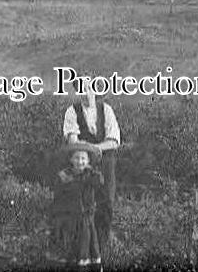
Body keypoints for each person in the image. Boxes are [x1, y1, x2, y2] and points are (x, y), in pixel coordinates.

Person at [63, 85, 119, 253]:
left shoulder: (106, 110)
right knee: (81, 207)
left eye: (88, 89)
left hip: (106, 164)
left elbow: (114, 140)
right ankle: (80, 251)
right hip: (82, 165)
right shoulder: (72, 111)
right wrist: (87, 152)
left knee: (106, 203)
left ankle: (101, 250)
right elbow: (72, 140)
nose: (86, 94)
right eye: (81, 90)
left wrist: (94, 148)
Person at [50, 142, 104, 268]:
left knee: (87, 243)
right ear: (71, 159)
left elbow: (99, 182)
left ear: (88, 160)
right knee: (71, 244)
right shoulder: (65, 176)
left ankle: (88, 265)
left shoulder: (92, 175)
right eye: (77, 158)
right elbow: (58, 197)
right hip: (70, 218)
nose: (80, 162)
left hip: (86, 218)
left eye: (83, 158)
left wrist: (91, 171)